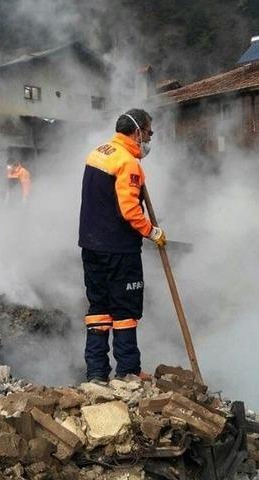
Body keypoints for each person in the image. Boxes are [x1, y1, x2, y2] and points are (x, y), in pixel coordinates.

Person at [78, 108, 165, 382]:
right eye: (149, 133)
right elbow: (129, 210)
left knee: (99, 309)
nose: (150, 138)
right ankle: (127, 370)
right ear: (137, 131)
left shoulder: (99, 152)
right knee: (125, 310)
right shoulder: (128, 163)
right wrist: (152, 232)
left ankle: (96, 373)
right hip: (118, 249)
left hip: (91, 246)